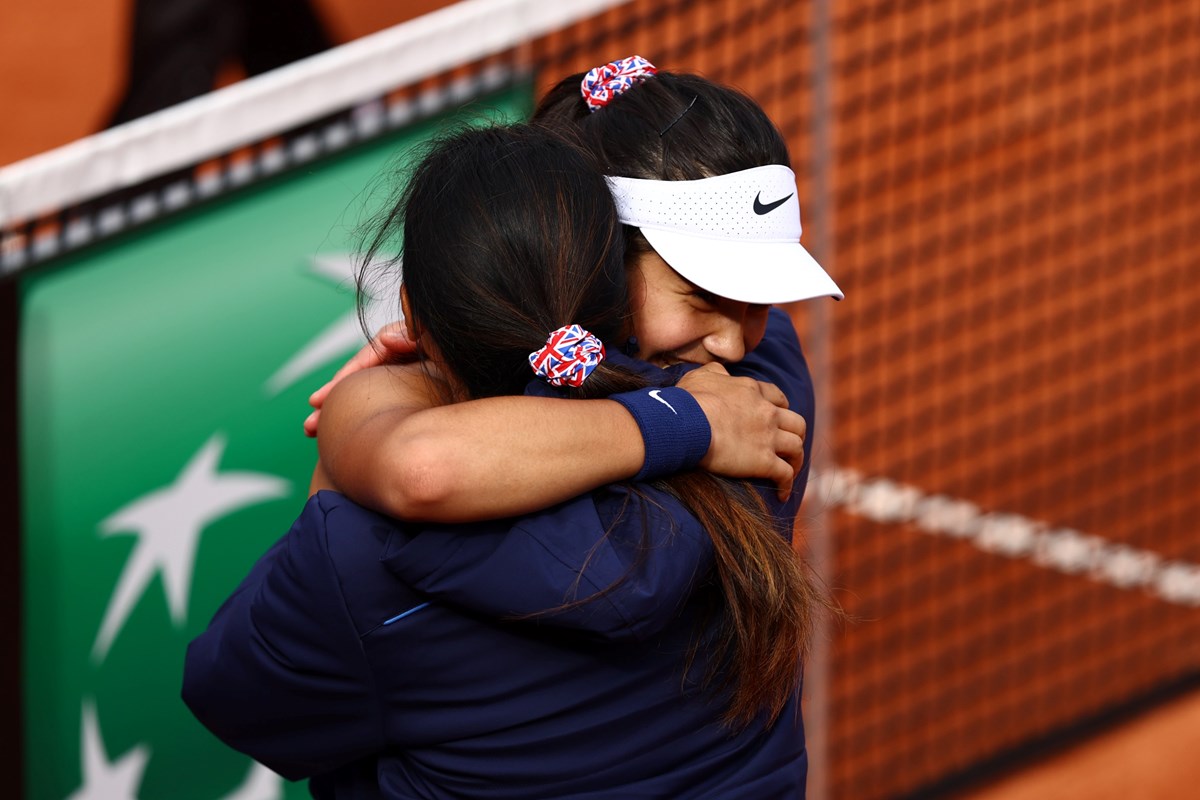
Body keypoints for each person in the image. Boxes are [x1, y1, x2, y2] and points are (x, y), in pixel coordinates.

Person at [184, 123, 826, 797]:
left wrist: (369, 418)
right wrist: (680, 416)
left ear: (414, 315)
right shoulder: (763, 420)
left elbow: (240, 700)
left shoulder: (357, 559)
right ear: (619, 304)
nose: (728, 333)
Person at [304, 57, 843, 529]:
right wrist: (474, 328)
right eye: (702, 297)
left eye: (758, 302)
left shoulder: (761, 401)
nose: (735, 346)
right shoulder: (746, 398)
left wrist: (458, 345)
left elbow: (423, 467)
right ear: (598, 252)